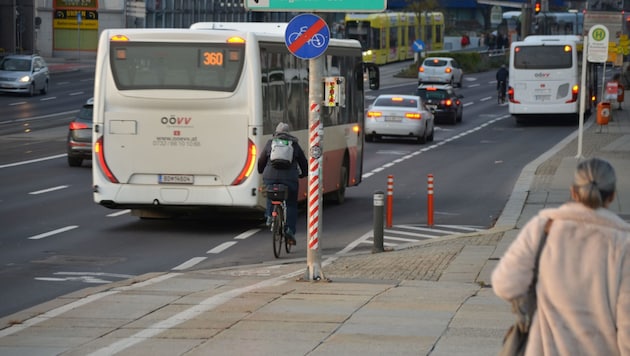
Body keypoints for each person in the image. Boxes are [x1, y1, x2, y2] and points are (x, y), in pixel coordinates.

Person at [492, 158, 630, 355]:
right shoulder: (623, 245)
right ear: (612, 196)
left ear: (573, 192)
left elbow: (504, 284)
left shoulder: (542, 229)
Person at [257, 122, 308, 246]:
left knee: (271, 193)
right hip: (289, 179)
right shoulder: (294, 144)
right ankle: (290, 230)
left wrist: (261, 171)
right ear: (288, 133)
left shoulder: (270, 143)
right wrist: (303, 174)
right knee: (291, 203)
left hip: (270, 176)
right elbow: (303, 163)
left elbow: (261, 161)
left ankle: (270, 216)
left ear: (276, 132)